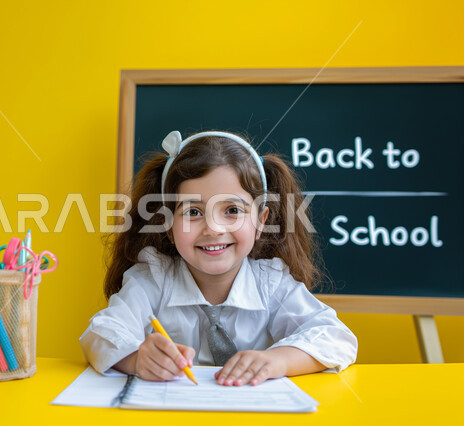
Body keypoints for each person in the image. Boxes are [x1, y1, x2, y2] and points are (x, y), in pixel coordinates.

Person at [80, 130, 357, 386]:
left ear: (261, 220)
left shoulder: (271, 284)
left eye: (232, 210)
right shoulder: (153, 279)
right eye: (193, 212)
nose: (213, 228)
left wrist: (278, 360)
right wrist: (136, 359)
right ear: (167, 223)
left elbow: (336, 337)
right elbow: (100, 334)